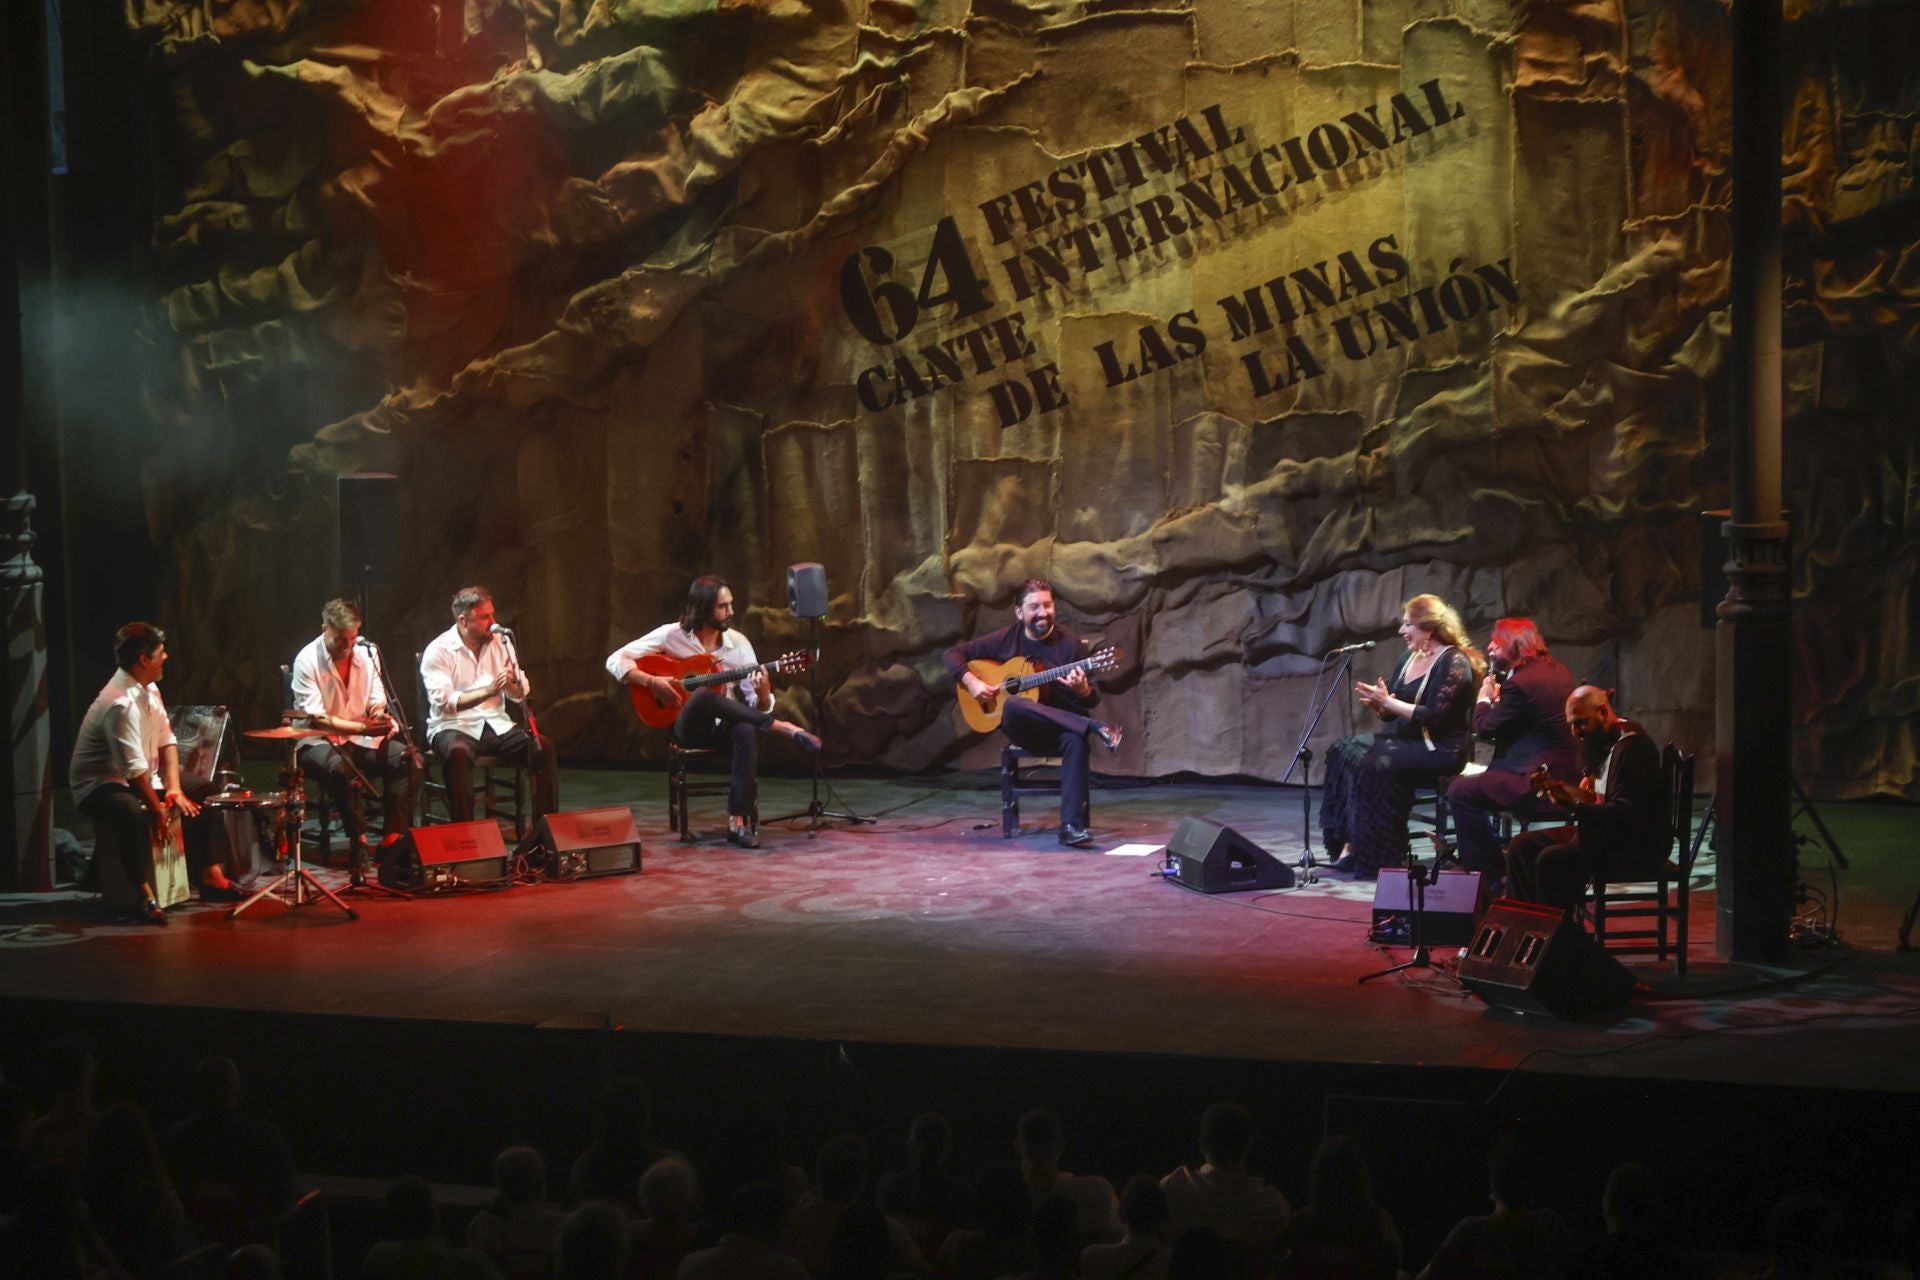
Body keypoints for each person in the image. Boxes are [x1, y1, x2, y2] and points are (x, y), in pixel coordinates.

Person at [605, 575, 821, 849]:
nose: (731, 611)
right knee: (703, 696)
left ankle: (737, 823)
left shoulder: (738, 644)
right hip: (687, 727)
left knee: (745, 729)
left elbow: (756, 703)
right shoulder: (671, 635)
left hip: (723, 728)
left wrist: (765, 695)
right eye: (722, 606)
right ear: (703, 608)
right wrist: (651, 682)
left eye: (731, 604)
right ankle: (782, 728)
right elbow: (614, 659)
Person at [68, 621, 230, 922]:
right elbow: (132, 773)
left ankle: (210, 874)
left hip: (142, 774)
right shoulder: (120, 704)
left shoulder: (149, 688)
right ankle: (143, 893)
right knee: (131, 811)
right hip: (100, 784)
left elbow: (168, 741)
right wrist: (158, 811)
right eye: (160, 653)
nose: (165, 657)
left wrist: (174, 789)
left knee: (205, 791)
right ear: (144, 659)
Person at [943, 579, 1122, 848]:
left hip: (1060, 730)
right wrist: (971, 682)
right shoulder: (1005, 639)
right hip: (1023, 729)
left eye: (1047, 605)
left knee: (1076, 742)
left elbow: (1093, 696)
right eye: (1034, 607)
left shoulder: (1071, 645)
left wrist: (1083, 689)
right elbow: (952, 654)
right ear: (1019, 612)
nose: (1043, 613)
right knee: (1014, 705)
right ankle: (1092, 725)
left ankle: (1071, 827)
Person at [1322, 595, 1484, 878]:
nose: (1401, 630)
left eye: (1408, 624)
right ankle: (1352, 843)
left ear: (1428, 628)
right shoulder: (1409, 658)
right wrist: (1381, 706)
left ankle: (1380, 854)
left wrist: (1389, 702)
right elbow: (1394, 711)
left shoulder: (1454, 661)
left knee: (1374, 764)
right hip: (1407, 743)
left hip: (1440, 750)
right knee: (1343, 750)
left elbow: (1433, 715)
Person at [1506, 686, 1671, 913]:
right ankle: (1525, 922)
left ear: (1603, 712)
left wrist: (1576, 807)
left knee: (1551, 860)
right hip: (1609, 835)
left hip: (1635, 847)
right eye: (1571, 724)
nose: (1575, 732)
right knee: (1522, 846)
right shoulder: (1610, 743)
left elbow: (1626, 813)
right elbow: (1598, 799)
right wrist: (1556, 787)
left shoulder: (1632, 749)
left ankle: (1560, 930)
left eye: (1581, 723)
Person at [1442, 616, 1579, 877]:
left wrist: (1484, 699)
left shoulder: (1521, 683)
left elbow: (1485, 728)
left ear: (1514, 646)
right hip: (1563, 772)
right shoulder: (1554, 669)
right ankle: (1490, 860)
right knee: (1476, 779)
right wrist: (1501, 703)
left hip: (1540, 782)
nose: (1489, 647)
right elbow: (1524, 718)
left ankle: (1486, 873)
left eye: (1496, 643)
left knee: (1460, 790)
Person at [290, 598, 418, 871]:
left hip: (360, 738)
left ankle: (392, 839)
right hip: (318, 740)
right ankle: (357, 839)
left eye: (352, 638)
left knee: (408, 759)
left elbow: (376, 699)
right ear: (325, 628)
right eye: (340, 640)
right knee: (341, 768)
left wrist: (379, 714)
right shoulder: (307, 660)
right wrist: (362, 727)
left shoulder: (366, 654)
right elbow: (317, 719)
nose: (347, 646)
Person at [420, 586, 559, 830]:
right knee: (458, 754)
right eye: (485, 617)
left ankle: (545, 830)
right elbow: (446, 702)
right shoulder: (439, 650)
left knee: (542, 747)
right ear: (463, 620)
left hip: (495, 724)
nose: (493, 622)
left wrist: (513, 683)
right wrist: (490, 690)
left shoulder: (500, 642)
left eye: (492, 614)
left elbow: (520, 694)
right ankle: (465, 834)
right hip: (453, 726)